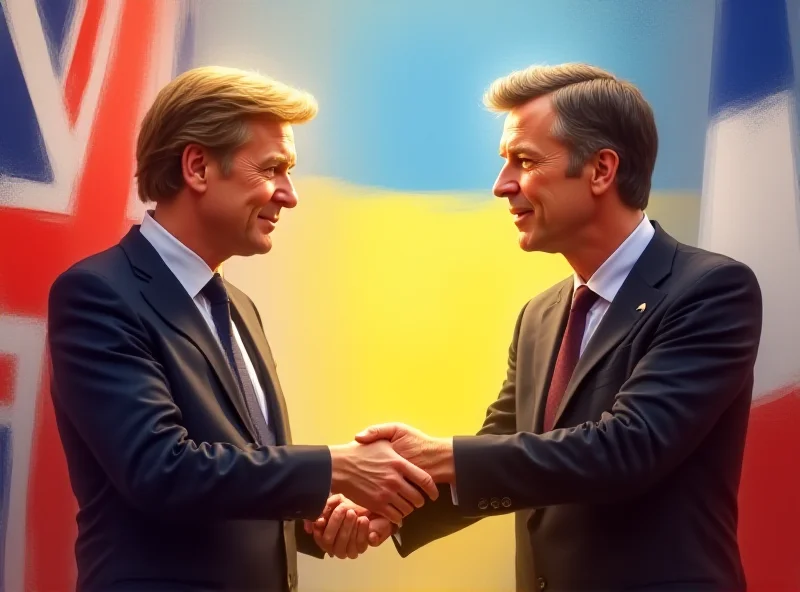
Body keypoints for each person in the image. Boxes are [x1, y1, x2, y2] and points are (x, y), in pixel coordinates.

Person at [318, 63, 764, 591]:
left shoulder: (711, 289)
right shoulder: (541, 315)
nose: (501, 185)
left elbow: (629, 447)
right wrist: (392, 508)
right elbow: (508, 448)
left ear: (601, 170)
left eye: (524, 161)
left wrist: (440, 456)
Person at [46, 66, 437, 592]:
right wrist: (333, 467)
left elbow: (240, 470)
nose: (290, 194)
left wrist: (310, 517)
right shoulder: (98, 292)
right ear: (198, 166)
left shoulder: (240, 307)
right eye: (273, 168)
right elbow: (161, 469)